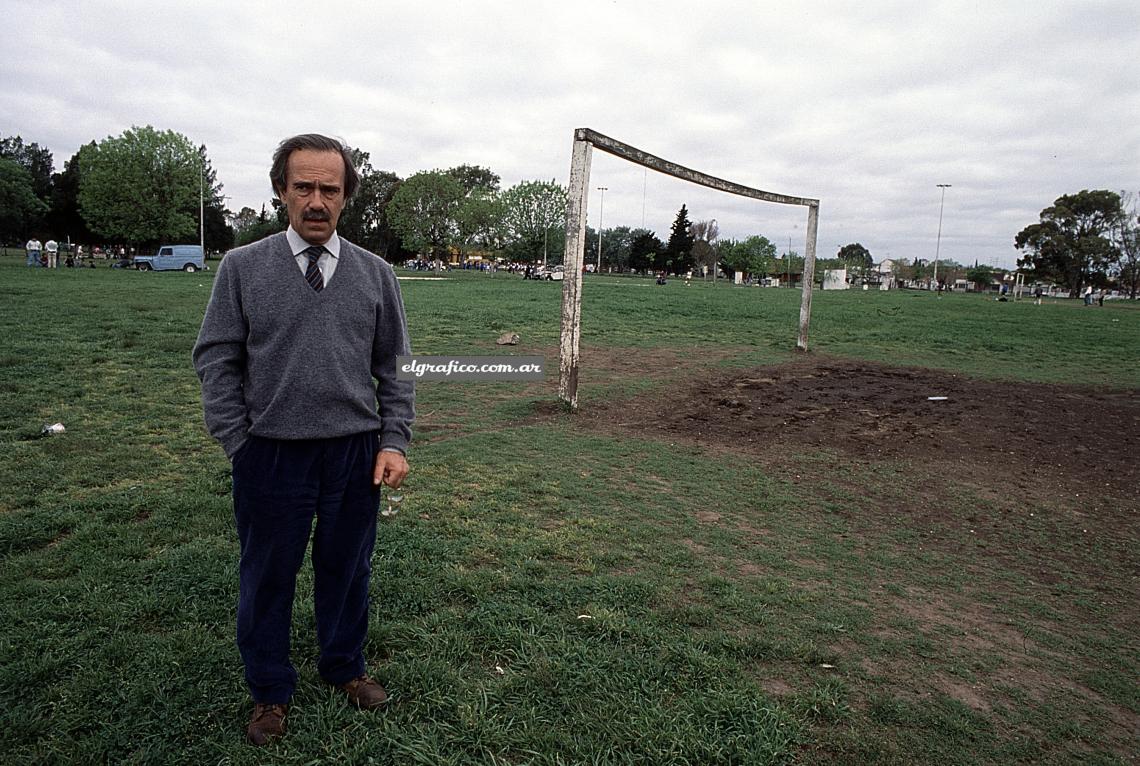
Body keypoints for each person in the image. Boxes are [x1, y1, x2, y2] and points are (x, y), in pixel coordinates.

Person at [192, 134, 415, 746]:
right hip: (270, 454)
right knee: (267, 575)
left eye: (330, 189)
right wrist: (239, 441)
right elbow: (216, 358)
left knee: (347, 570)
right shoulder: (242, 267)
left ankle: (344, 666)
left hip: (354, 454)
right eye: (304, 187)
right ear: (280, 191)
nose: (316, 201)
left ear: (346, 198)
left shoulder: (376, 274)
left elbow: (395, 368)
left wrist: (393, 440)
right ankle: (269, 690)